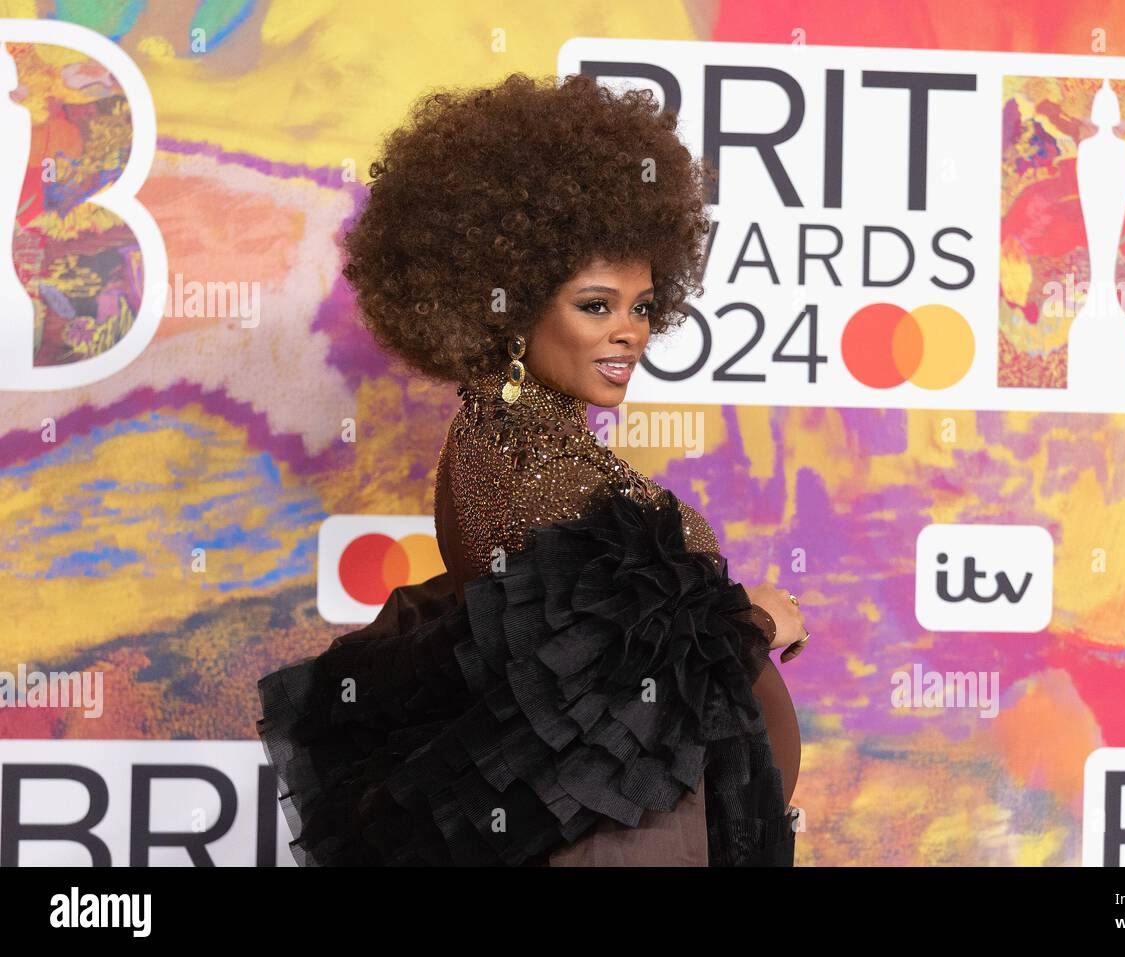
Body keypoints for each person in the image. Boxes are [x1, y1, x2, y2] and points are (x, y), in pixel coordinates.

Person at [256, 71, 809, 866]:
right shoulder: (512, 452)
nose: (630, 334)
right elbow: (594, 654)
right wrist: (756, 617)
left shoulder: (535, 436)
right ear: (513, 307)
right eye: (596, 305)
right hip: (610, 839)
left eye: (643, 306)